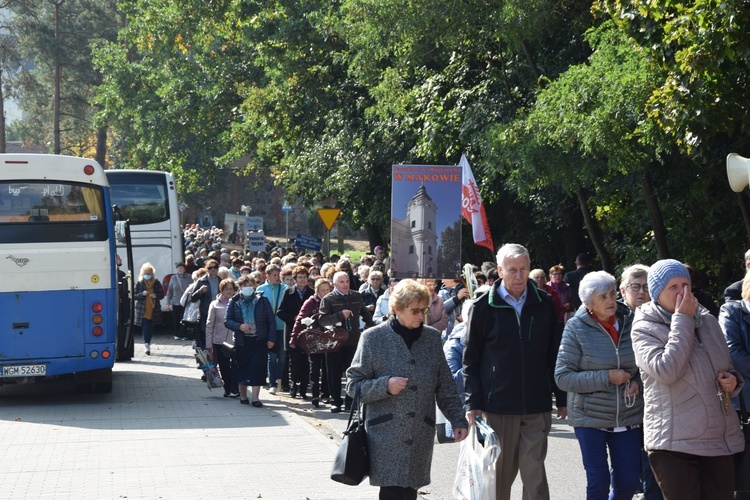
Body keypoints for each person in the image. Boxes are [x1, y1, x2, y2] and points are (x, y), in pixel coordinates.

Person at [632, 259, 744, 499]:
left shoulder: (708, 320)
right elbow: (666, 370)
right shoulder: (644, 326)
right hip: (674, 444)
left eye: (686, 284)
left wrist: (732, 380)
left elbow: (726, 365)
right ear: (656, 293)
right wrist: (683, 319)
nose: (682, 291)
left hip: (717, 439)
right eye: (673, 286)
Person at [346, 279, 468, 499]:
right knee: (392, 492)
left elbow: (445, 386)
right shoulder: (373, 338)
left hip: (420, 432)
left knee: (410, 492)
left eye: (424, 310)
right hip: (385, 435)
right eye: (415, 311)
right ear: (397, 308)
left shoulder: (431, 338)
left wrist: (457, 419)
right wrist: (385, 385)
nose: (421, 316)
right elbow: (353, 385)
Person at [463, 243, 566, 500]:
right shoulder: (483, 306)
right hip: (497, 406)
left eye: (523, 269)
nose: (519, 276)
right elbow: (470, 359)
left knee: (534, 475)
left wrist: (561, 397)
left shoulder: (544, 303)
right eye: (512, 270)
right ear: (500, 270)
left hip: (536, 404)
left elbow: (554, 353)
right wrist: (472, 401)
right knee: (499, 478)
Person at [555, 271, 643, 499]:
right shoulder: (576, 328)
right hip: (589, 416)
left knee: (629, 480)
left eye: (613, 294)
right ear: (588, 303)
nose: (611, 300)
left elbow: (646, 365)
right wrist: (607, 378)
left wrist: (637, 383)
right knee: (598, 481)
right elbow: (563, 377)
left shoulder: (632, 321)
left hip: (628, 414)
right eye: (603, 297)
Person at [618, 263, 662, 500]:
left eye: (646, 286)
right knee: (624, 465)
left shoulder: (661, 316)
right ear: (623, 291)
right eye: (635, 286)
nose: (642, 292)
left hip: (654, 401)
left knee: (651, 458)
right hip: (621, 403)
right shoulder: (614, 318)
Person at [318, 270, 374, 413]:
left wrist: (372, 329)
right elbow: (322, 320)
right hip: (335, 342)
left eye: (347, 281)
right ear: (335, 284)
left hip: (352, 340)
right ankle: (335, 401)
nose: (345, 284)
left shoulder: (356, 296)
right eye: (341, 282)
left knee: (352, 373)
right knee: (334, 373)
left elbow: (365, 314)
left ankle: (350, 402)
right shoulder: (329, 299)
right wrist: (339, 315)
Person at [224, 275, 276, 407]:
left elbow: (270, 320)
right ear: (240, 287)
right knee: (243, 368)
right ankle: (243, 395)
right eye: (244, 286)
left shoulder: (262, 300)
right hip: (242, 341)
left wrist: (271, 338)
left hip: (259, 340)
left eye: (250, 285)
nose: (247, 288)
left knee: (258, 368)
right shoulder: (234, 301)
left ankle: (255, 398)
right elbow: (227, 321)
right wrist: (239, 326)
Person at [290, 278, 331, 408]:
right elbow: (300, 320)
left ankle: (325, 394)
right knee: (314, 368)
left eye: (327, 290)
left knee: (327, 368)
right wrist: (294, 338)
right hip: (314, 340)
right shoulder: (311, 302)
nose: (325, 292)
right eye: (323, 290)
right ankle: (315, 395)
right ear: (317, 290)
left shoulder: (332, 301)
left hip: (329, 340)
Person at [277, 265, 314, 399]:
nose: (302, 280)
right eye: (300, 277)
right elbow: (280, 312)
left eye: (304, 277)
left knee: (306, 361)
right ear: (295, 279)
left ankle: (304, 388)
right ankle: (294, 385)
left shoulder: (311, 293)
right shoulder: (289, 293)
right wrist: (294, 318)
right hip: (292, 331)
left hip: (307, 332)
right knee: (294, 361)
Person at [256, 264, 287, 394]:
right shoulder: (261, 289)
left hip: (282, 326)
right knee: (272, 356)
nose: (276, 277)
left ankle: (281, 379)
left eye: (278, 275)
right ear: (267, 276)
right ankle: (273, 382)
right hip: (269, 328)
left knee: (283, 356)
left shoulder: (285, 288)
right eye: (274, 275)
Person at [205, 279, 239, 398]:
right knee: (224, 367)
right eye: (226, 289)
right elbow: (210, 325)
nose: (229, 291)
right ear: (221, 290)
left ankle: (235, 388)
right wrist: (208, 344)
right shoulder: (215, 304)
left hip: (236, 340)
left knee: (236, 365)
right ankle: (228, 388)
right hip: (220, 341)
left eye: (231, 289)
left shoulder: (238, 302)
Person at [189, 259, 221, 350]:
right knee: (205, 338)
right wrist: (200, 291)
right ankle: (206, 360)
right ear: (207, 269)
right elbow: (192, 298)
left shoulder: (221, 281)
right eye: (210, 267)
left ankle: (216, 359)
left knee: (217, 337)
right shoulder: (201, 281)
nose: (213, 269)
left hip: (219, 313)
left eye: (215, 267)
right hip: (205, 314)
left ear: (218, 269)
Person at [133, 262, 165, 356]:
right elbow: (134, 296)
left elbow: (162, 295)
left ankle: (148, 342)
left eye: (149, 273)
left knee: (151, 327)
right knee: (146, 326)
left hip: (153, 308)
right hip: (142, 309)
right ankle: (146, 344)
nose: (147, 275)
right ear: (142, 274)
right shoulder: (139, 283)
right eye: (146, 273)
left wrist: (156, 295)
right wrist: (141, 294)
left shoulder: (156, 282)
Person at [165, 263, 192, 340]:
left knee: (185, 319)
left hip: (186, 302)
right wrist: (168, 302)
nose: (180, 269)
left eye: (181, 268)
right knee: (176, 319)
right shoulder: (173, 278)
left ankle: (185, 334)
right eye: (178, 268)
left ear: (184, 269)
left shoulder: (189, 277)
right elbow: (169, 291)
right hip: (176, 302)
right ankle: (177, 334)